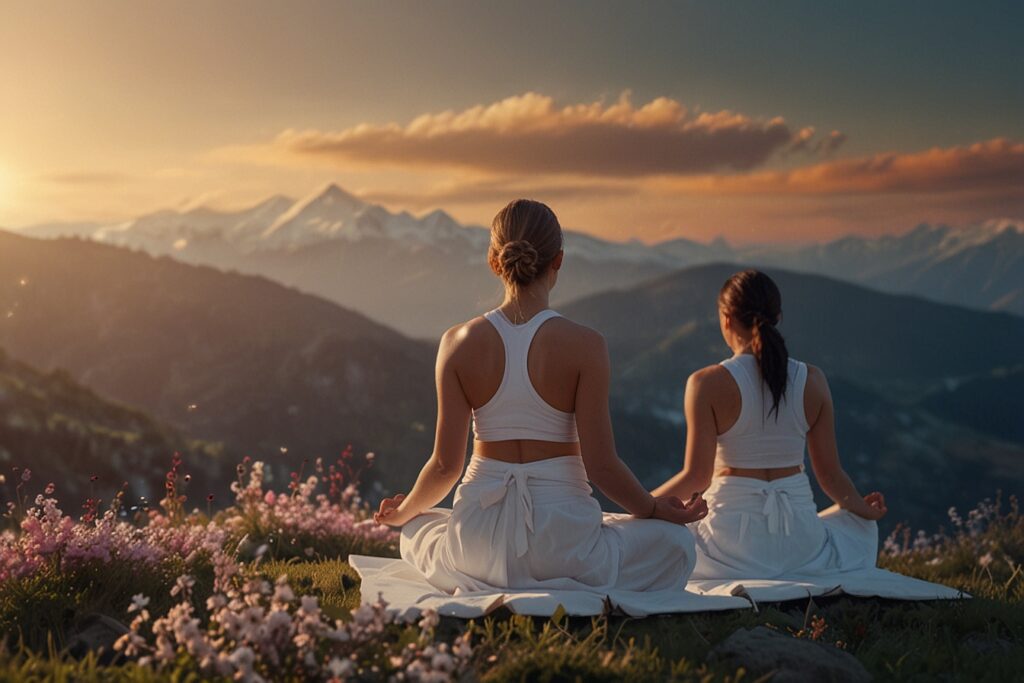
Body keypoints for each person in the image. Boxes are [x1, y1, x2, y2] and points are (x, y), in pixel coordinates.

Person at [374, 199, 707, 594]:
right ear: (559, 261)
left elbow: (446, 466)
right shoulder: (586, 345)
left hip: (477, 544)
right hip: (566, 543)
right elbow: (601, 467)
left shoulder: (455, 343)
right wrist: (653, 510)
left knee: (418, 527)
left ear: (493, 262)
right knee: (678, 544)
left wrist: (403, 513)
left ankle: (468, 565)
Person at [653, 269, 886, 580]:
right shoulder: (813, 380)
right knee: (856, 527)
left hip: (731, 542)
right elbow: (830, 475)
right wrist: (863, 509)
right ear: (777, 316)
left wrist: (642, 507)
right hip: (801, 542)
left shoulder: (705, 383)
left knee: (652, 537)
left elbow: (697, 476)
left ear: (726, 318)